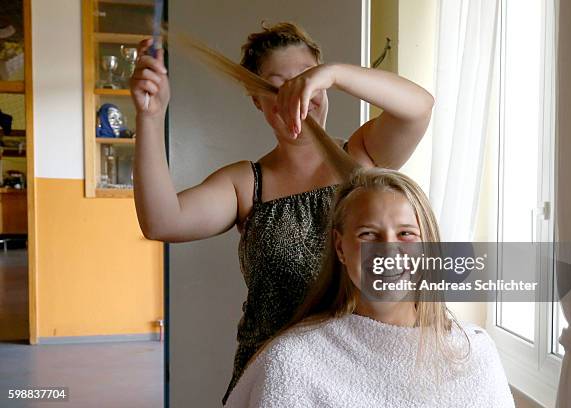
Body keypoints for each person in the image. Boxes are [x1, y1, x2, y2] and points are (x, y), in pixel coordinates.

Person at [129, 22, 434, 403]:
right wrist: (151, 117)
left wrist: (334, 73)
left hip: (358, 374)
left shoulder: (362, 159)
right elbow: (162, 220)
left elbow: (419, 108)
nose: (295, 95)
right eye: (276, 87)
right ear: (257, 99)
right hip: (275, 379)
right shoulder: (246, 184)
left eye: (306, 80)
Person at [225, 168, 515, 408]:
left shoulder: (474, 354)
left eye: (406, 234)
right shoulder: (293, 361)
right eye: (368, 234)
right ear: (341, 247)